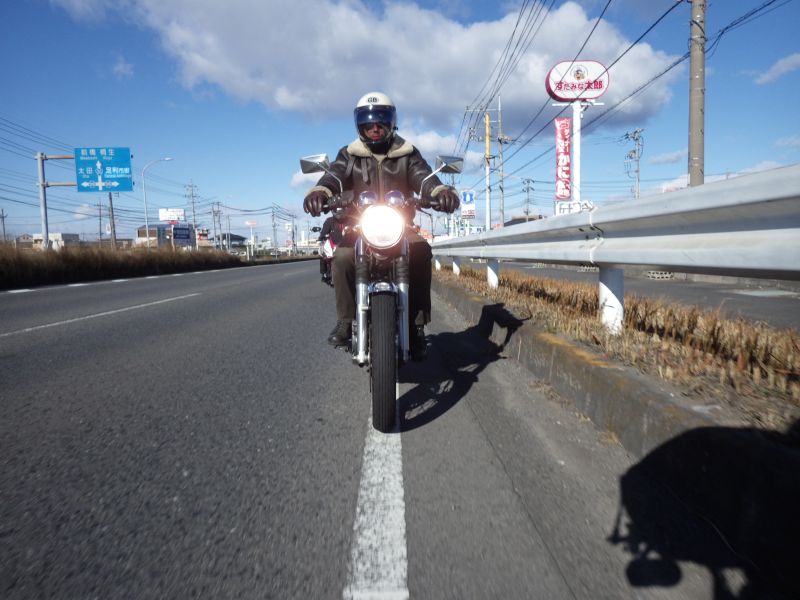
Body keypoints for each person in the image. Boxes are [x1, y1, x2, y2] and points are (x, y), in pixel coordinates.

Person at [303, 91, 459, 360]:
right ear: (360, 125)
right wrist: (320, 192)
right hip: (360, 225)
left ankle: (416, 325)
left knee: (421, 251)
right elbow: (334, 177)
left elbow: (423, 177)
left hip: (399, 225)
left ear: (391, 122)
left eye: (380, 122)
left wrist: (440, 191)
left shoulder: (406, 153)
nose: (375, 128)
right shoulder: (349, 154)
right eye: (368, 123)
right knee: (342, 256)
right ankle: (345, 320)